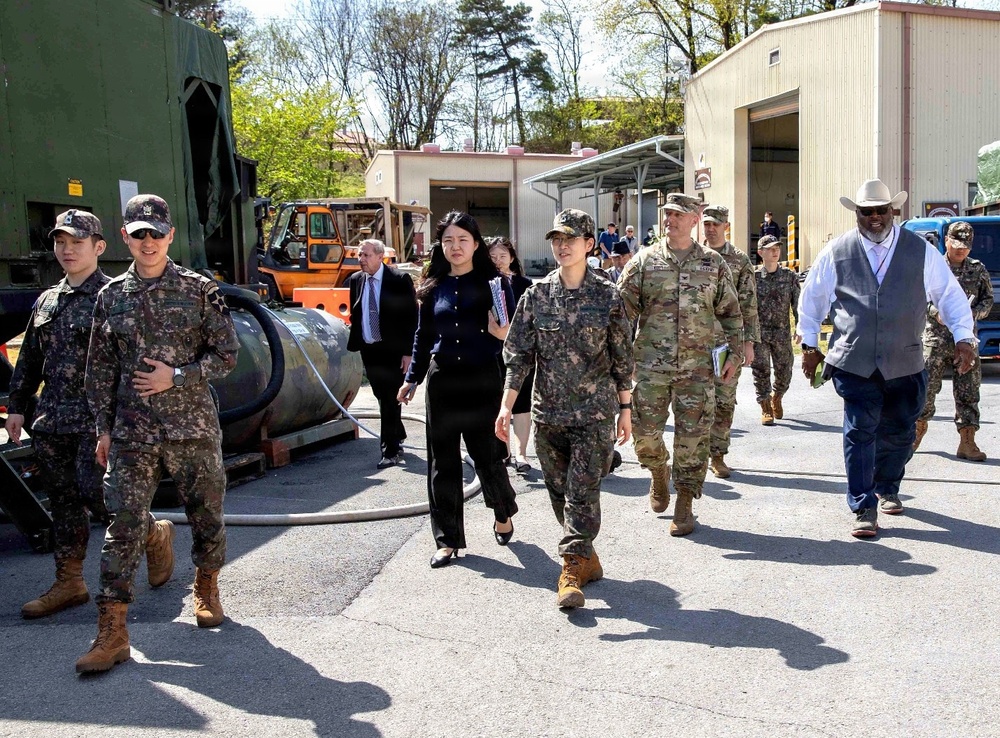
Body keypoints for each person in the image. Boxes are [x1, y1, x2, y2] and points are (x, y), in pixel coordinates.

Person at [78, 194, 239, 673]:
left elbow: (226, 355)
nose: (147, 242)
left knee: (206, 510)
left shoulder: (198, 290)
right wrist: (103, 429)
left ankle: (206, 583)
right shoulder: (111, 296)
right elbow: (99, 367)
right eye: (138, 233)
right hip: (133, 429)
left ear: (170, 236)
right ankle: (112, 631)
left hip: (191, 427)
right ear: (125, 237)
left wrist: (179, 375)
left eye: (156, 233)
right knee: (123, 521)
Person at [7, 210, 174, 621]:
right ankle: (69, 582)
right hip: (52, 421)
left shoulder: (115, 296)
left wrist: (124, 421)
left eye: (76, 243)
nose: (67, 250)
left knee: (100, 497)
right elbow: (30, 358)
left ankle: (153, 534)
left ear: (99, 247)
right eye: (61, 243)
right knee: (62, 502)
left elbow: (131, 362)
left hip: (99, 420)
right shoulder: (48, 300)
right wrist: (16, 406)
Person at [797, 179, 976, 538]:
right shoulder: (836, 251)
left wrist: (964, 338)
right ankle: (864, 505)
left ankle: (888, 485)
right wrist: (810, 346)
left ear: (893, 211)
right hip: (854, 360)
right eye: (867, 212)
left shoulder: (920, 251)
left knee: (899, 432)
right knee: (860, 432)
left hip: (906, 361)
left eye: (882, 210)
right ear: (857, 214)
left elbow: (949, 296)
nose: (875, 217)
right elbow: (813, 298)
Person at [496, 208, 633, 609]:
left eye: (571, 239)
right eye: (557, 239)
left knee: (581, 491)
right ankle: (587, 557)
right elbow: (518, 356)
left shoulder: (607, 295)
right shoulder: (536, 296)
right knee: (558, 491)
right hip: (548, 414)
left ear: (590, 245)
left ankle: (571, 567)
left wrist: (625, 408)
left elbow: (622, 355)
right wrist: (506, 408)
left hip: (594, 414)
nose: (562, 246)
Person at [397, 211, 518, 569]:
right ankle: (448, 540)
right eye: (448, 240)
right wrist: (412, 378)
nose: (455, 247)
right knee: (443, 462)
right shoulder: (434, 285)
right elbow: (423, 336)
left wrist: (502, 335)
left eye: (463, 240)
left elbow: (513, 333)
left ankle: (503, 510)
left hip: (483, 378)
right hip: (443, 380)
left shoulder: (495, 284)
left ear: (476, 244)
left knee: (488, 456)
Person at [618, 193, 743, 537]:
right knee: (644, 433)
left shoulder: (713, 264)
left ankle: (685, 501)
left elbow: (731, 314)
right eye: (667, 214)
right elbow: (622, 315)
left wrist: (734, 354)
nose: (670, 219)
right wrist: (619, 359)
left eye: (678, 214)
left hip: (697, 368)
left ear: (694, 219)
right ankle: (658, 471)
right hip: (650, 367)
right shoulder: (643, 262)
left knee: (694, 437)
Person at [914, 221, 993, 461]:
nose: (961, 250)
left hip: (966, 341)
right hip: (935, 339)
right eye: (956, 244)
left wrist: (971, 313)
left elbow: (987, 301)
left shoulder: (978, 270)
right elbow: (916, 297)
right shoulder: (932, 266)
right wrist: (934, 311)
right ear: (946, 240)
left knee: (968, 390)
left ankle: (967, 442)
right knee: (926, 388)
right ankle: (914, 434)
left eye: (965, 246)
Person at [347, 238, 418, 469]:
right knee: (381, 395)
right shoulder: (356, 280)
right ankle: (397, 432)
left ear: (380, 257)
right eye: (360, 255)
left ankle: (390, 451)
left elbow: (411, 318)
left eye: (366, 255)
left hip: (393, 350)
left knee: (389, 398)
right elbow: (356, 312)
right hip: (370, 348)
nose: (361, 260)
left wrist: (409, 352)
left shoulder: (398, 280)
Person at [702, 205, 759, 478]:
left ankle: (718, 455)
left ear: (726, 225)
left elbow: (749, 303)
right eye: (706, 224)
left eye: (715, 224)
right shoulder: (693, 256)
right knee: (694, 401)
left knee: (724, 399)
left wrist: (748, 342)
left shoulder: (738, 260)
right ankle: (693, 455)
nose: (710, 229)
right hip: (695, 343)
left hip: (726, 344)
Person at [487, 236, 534, 473]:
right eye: (492, 257)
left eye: (502, 256)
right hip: (492, 353)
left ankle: (521, 454)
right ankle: (502, 451)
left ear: (512, 258)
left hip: (521, 352)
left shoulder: (525, 285)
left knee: (522, 404)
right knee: (497, 402)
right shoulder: (482, 284)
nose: (498, 261)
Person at [751, 234, 800, 425]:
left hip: (781, 333)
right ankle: (765, 407)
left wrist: (800, 327)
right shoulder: (753, 278)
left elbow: (797, 304)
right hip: (760, 334)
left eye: (777, 248)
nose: (775, 251)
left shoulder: (789, 277)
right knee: (760, 371)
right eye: (770, 249)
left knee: (785, 371)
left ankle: (777, 397)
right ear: (761, 252)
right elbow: (746, 305)